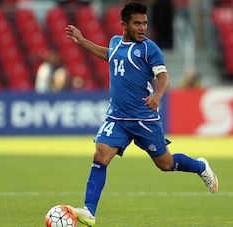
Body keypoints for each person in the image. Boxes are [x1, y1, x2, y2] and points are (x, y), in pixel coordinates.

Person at [65, 2, 218, 226]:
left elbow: (164, 78)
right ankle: (89, 210)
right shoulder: (115, 43)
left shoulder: (149, 49)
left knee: (165, 164)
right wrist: (82, 41)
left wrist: (157, 95)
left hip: (144, 119)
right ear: (124, 25)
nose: (143, 28)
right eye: (137, 23)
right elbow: (108, 55)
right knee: (100, 155)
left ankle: (200, 167)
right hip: (117, 117)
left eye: (145, 23)